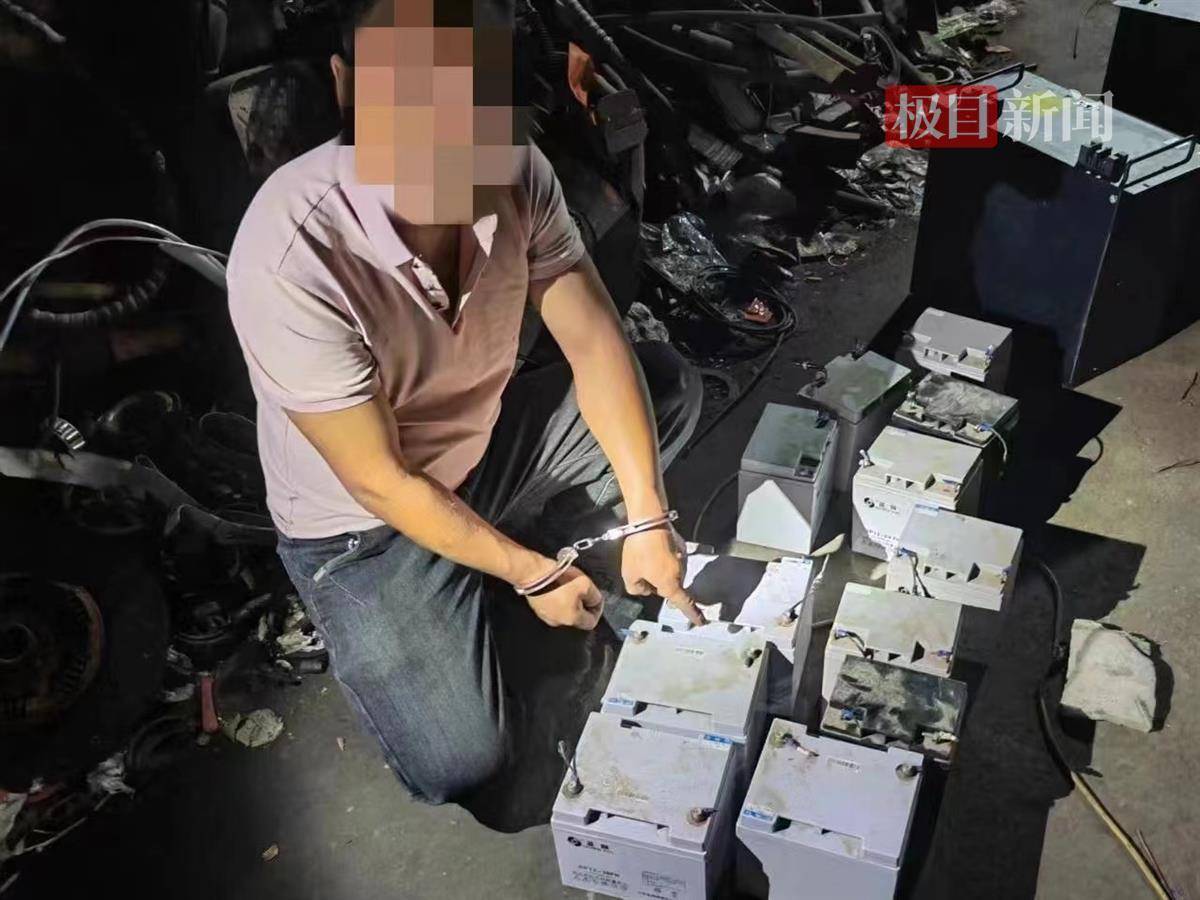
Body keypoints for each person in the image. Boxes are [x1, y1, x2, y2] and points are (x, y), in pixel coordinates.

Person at [226, 0, 704, 813]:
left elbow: (595, 343)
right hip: (362, 529)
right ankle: (508, 568)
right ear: (346, 85)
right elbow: (379, 480)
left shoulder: (515, 171)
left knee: (659, 386)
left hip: (480, 452)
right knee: (465, 762)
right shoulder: (291, 251)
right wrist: (530, 572)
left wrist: (650, 516)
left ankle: (532, 549)